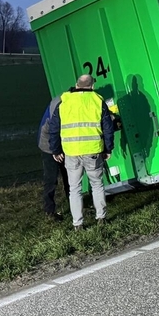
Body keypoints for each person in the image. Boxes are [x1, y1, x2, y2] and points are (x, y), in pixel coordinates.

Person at [47, 74, 115, 230]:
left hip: (71, 153)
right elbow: (108, 128)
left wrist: (56, 150)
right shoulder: (97, 101)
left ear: (76, 85)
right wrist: (108, 148)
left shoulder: (64, 102)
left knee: (74, 188)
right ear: (92, 86)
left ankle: (78, 224)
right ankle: (101, 218)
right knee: (97, 184)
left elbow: (54, 129)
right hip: (93, 151)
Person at [38, 93, 70, 221]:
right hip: (48, 144)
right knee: (51, 178)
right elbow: (53, 130)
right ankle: (49, 210)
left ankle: (75, 205)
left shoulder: (65, 99)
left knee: (69, 175)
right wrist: (56, 151)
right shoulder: (59, 105)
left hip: (60, 141)